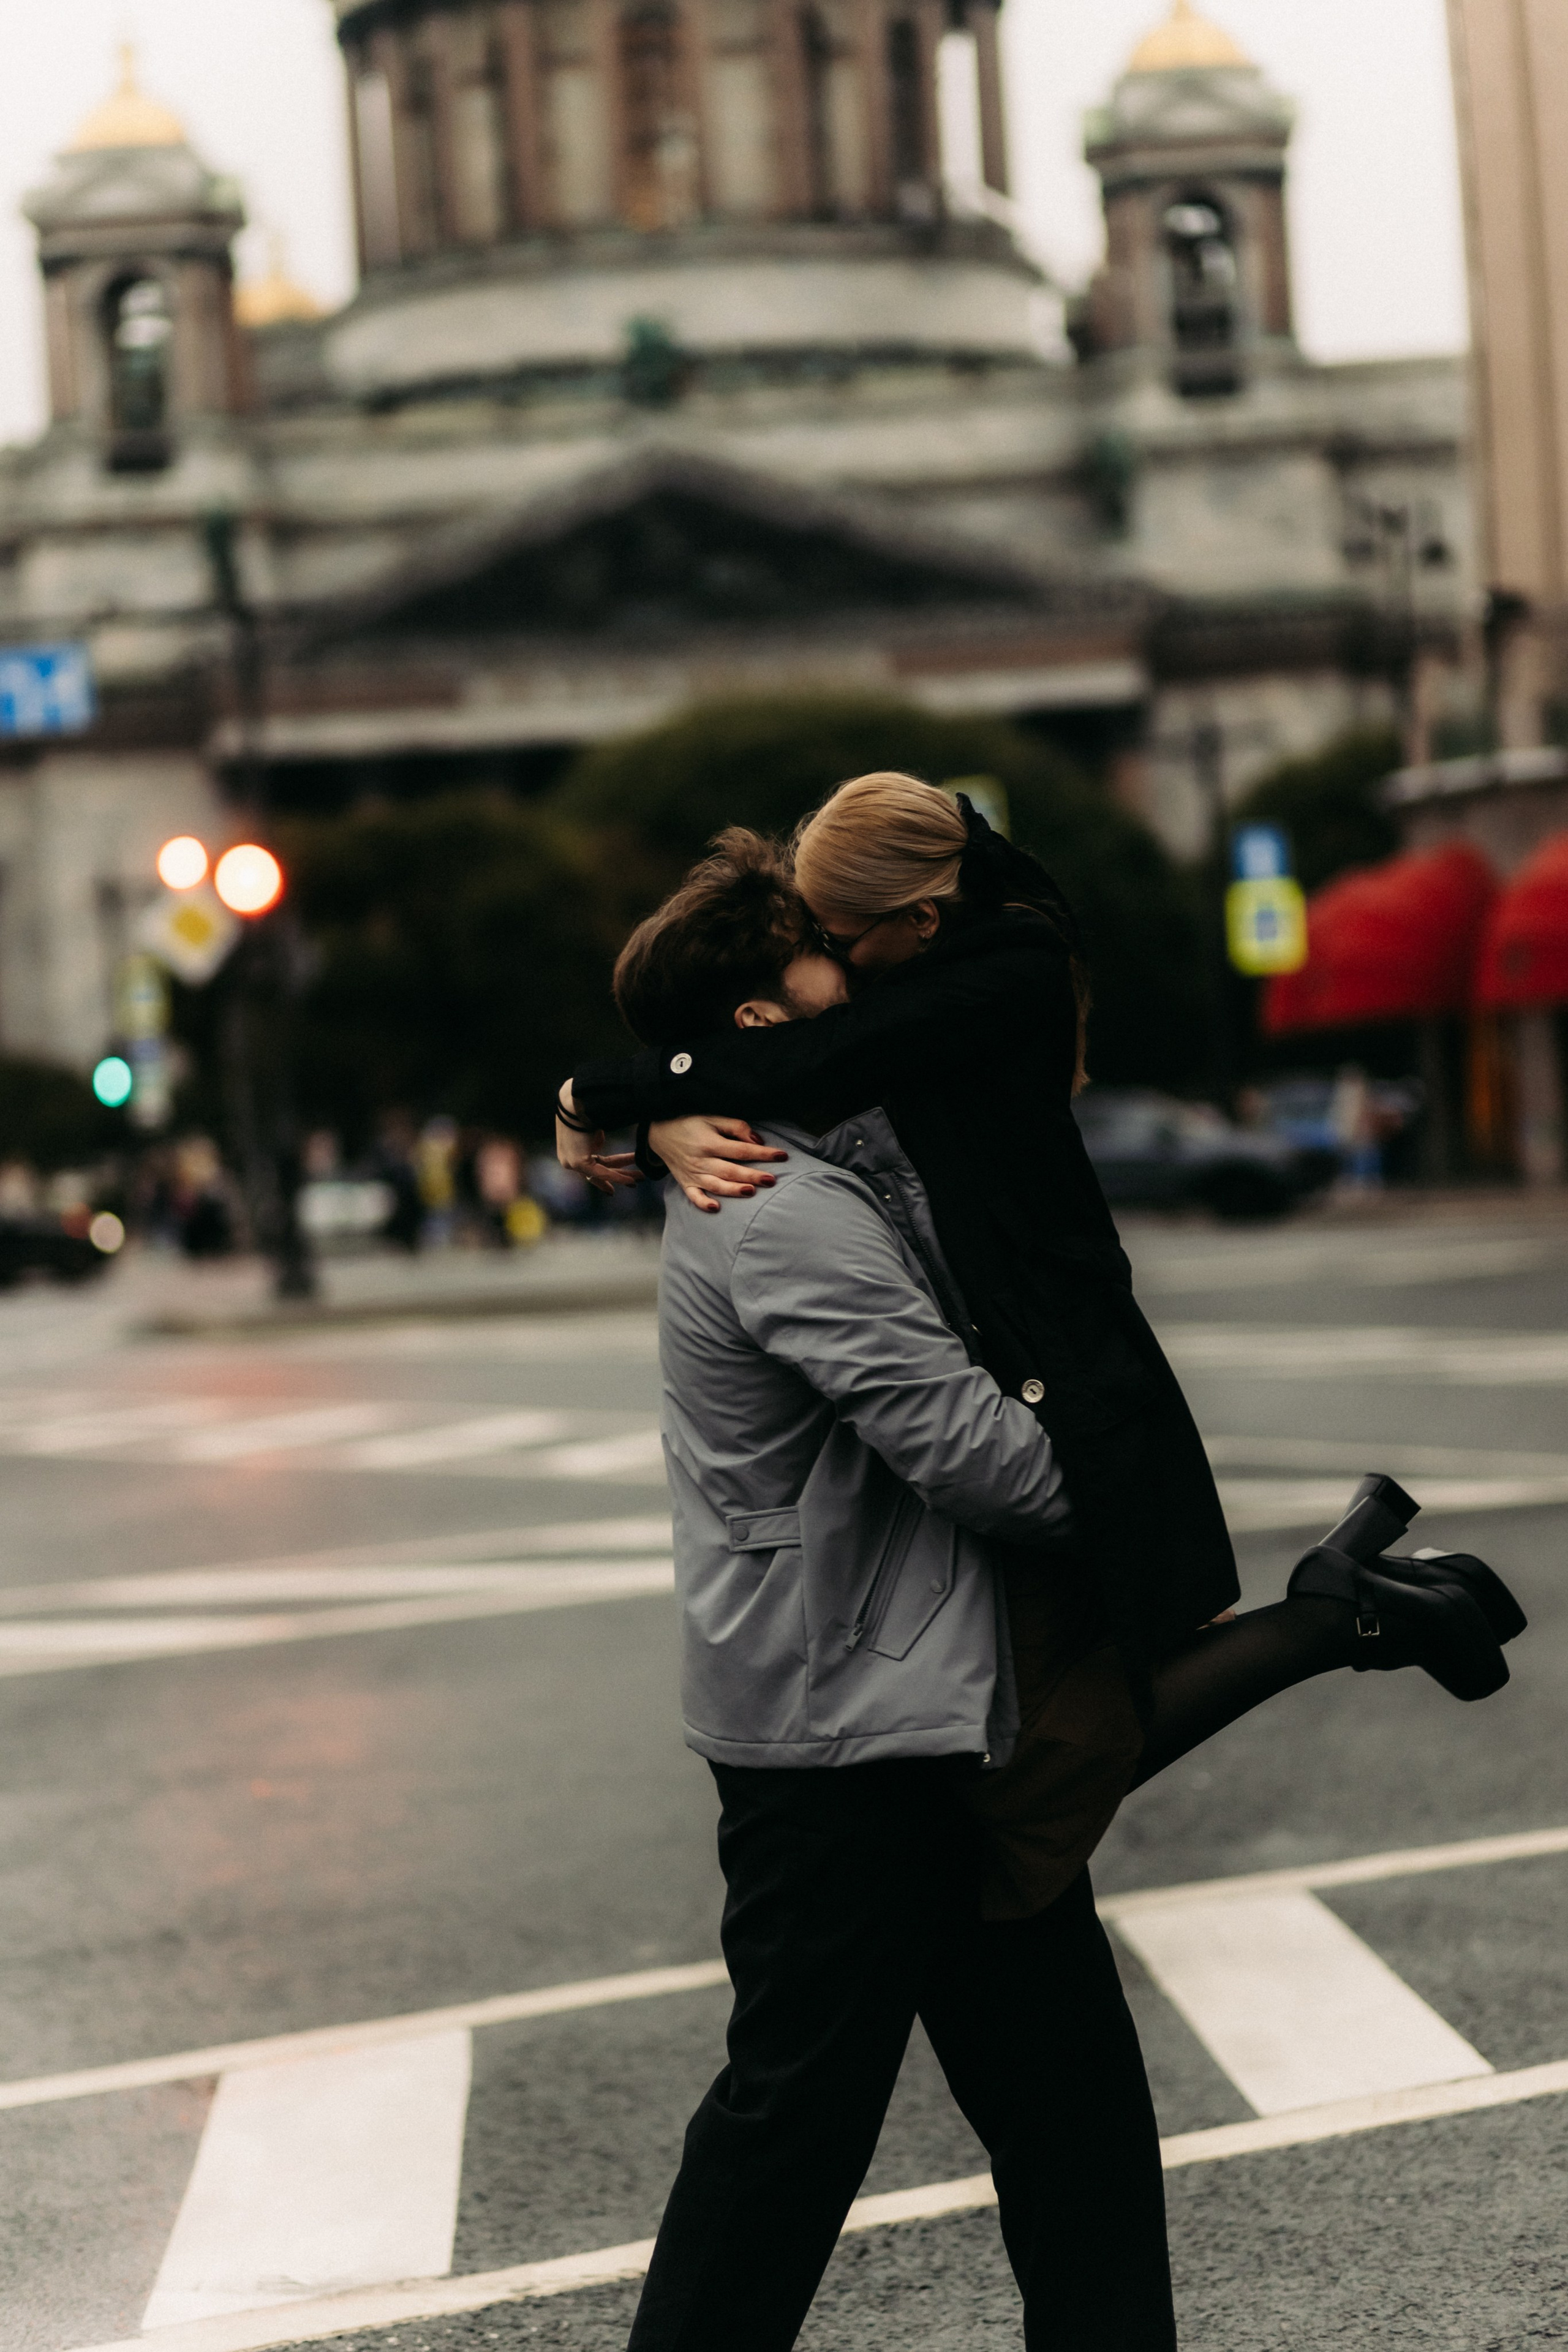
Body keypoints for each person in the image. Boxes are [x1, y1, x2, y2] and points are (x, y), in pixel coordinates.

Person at [560, 775, 1523, 1823]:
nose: (833, 958)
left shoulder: (1003, 970)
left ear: (916, 917)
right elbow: (785, 1069)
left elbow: (814, 1059)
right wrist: (658, 1112)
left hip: (1068, 1374)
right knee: (1056, 1743)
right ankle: (1338, 1616)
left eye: (837, 936)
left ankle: (1333, 1622)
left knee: (1066, 1741)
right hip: (1026, 1355)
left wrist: (614, 1093)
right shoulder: (918, 958)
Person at [595, 827, 1176, 2351]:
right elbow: (974, 1454)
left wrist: (625, 1107)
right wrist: (1121, 1496)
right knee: (787, 2145)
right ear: (764, 1031)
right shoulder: (777, 1205)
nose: (855, 981)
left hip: (913, 1711)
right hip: (844, 1745)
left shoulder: (818, 1152)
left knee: (1076, 2138)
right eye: (821, 964)